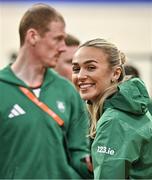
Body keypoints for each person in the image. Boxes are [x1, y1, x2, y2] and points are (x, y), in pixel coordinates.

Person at [0, 3, 93, 179]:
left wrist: (90, 164)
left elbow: (78, 152)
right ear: (33, 36)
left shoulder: (67, 91)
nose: (63, 47)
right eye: (57, 39)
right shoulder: (2, 88)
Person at [72, 38, 152, 179]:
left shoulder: (114, 121)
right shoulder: (132, 107)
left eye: (91, 67)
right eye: (76, 69)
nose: (80, 76)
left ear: (116, 73)